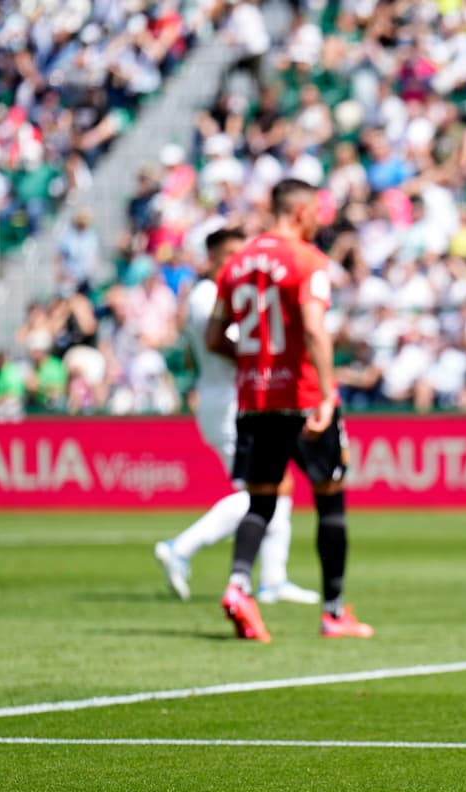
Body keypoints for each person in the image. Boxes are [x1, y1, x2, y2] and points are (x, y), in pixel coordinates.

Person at [205, 179, 372, 642]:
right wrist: (326, 394)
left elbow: (215, 338)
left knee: (261, 501)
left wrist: (257, 364)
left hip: (255, 400)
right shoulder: (307, 260)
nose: (318, 221)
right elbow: (314, 328)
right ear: (300, 212)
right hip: (302, 396)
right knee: (330, 497)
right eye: (315, 212)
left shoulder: (235, 264)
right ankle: (333, 612)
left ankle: (239, 586)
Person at [153, 227, 320, 605]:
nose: (238, 262)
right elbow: (217, 342)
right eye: (229, 254)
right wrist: (263, 357)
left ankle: (273, 579)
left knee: (278, 485)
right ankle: (181, 548)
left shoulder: (216, 293)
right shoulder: (208, 295)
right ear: (211, 258)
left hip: (231, 399)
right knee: (261, 492)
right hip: (228, 402)